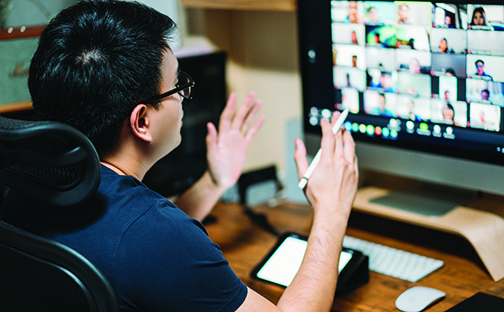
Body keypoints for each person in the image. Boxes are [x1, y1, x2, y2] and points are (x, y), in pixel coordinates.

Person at [1, 1, 359, 312]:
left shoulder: (27, 181)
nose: (185, 97)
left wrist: (213, 182)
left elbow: (132, 246)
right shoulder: (155, 238)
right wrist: (331, 209)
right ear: (142, 120)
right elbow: (149, 244)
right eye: (178, 86)